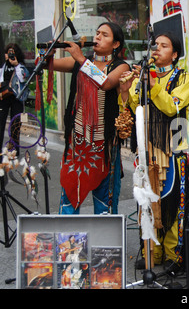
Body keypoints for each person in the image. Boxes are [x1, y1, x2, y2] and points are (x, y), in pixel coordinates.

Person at [120, 31, 189, 273]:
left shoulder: (183, 77)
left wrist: (153, 86)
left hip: (173, 149)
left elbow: (173, 107)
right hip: (147, 148)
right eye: (155, 45)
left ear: (174, 54)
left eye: (164, 46)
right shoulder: (143, 76)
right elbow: (134, 106)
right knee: (148, 200)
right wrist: (126, 88)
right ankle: (153, 251)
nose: (157, 49)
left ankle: (174, 254)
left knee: (172, 200)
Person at [49, 22, 130, 214]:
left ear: (116, 44)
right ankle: (69, 242)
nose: (98, 37)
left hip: (104, 145)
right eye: (97, 33)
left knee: (105, 204)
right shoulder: (82, 61)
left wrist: (79, 58)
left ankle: (105, 242)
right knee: (68, 196)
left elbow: (106, 82)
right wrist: (49, 53)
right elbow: (47, 65)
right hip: (77, 143)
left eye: (104, 34)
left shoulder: (121, 66)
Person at [0, 43, 30, 154]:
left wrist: (16, 64)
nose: (10, 54)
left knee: (15, 124)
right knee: (1, 123)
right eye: (9, 52)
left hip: (17, 97)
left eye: (13, 52)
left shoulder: (20, 65)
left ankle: (14, 150)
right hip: (4, 96)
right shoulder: (3, 64)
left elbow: (23, 79)